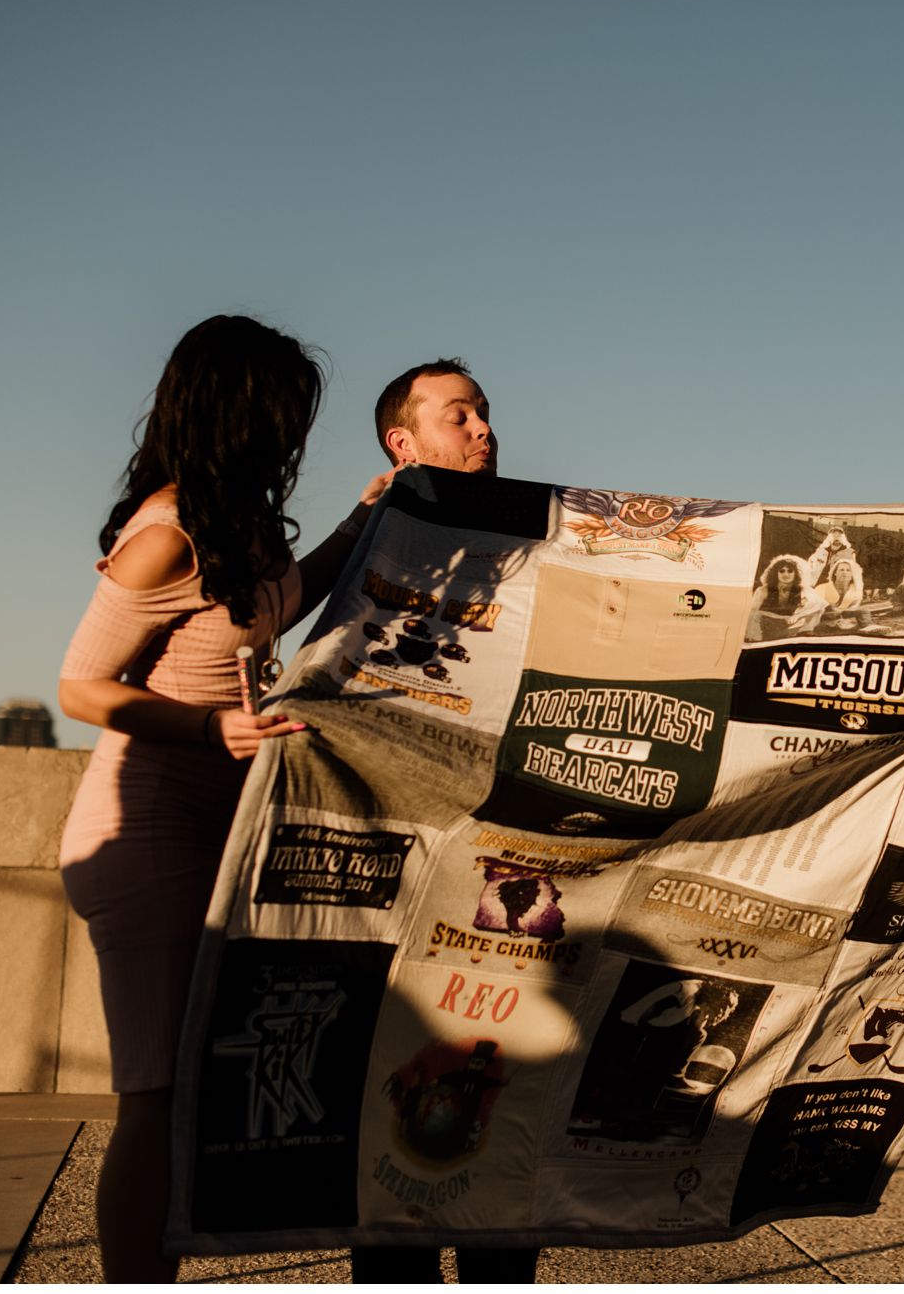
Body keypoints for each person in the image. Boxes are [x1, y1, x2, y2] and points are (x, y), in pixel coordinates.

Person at [57, 315, 396, 1281]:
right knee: (154, 1096)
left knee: (199, 1088)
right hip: (148, 827)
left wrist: (366, 517)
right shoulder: (163, 535)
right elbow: (79, 686)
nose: (295, 434)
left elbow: (293, 597)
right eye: (286, 412)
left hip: (222, 819)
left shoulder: (234, 522)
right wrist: (210, 730)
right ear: (237, 410)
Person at [356, 356, 538, 1286]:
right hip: (403, 856)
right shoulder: (374, 540)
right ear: (404, 440)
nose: (483, 430)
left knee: (509, 1119)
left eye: (486, 415)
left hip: (510, 862)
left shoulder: (542, 536)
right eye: (458, 414)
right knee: (392, 1113)